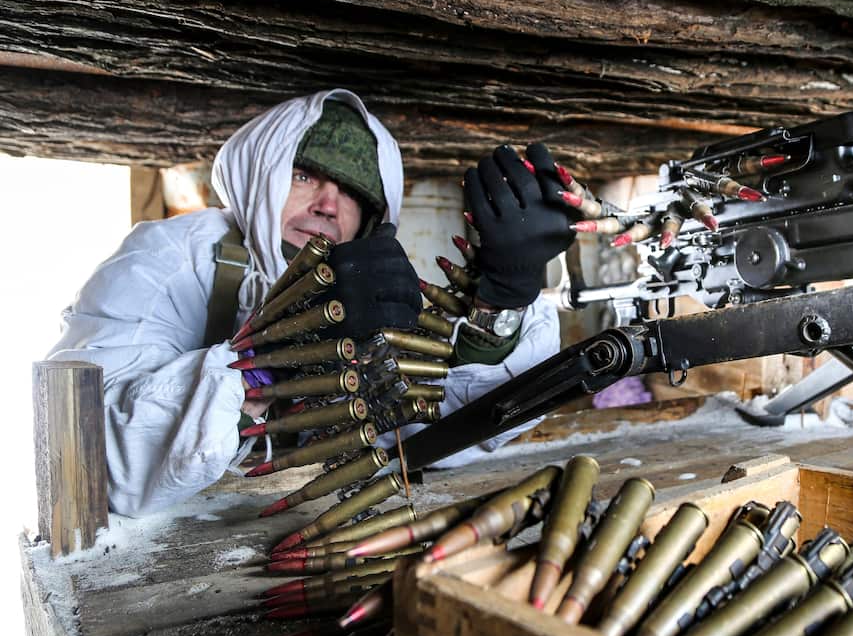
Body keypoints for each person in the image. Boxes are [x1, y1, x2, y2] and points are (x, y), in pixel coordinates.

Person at [48, 90, 572, 516]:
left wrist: (500, 305)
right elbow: (92, 462)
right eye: (305, 176)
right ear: (262, 178)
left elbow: (441, 433)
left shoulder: (373, 287)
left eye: (352, 193)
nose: (327, 205)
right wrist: (275, 358)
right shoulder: (166, 260)